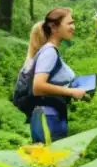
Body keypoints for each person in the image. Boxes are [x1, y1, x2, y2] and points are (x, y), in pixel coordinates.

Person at [21, 8, 87, 143]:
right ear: (54, 27)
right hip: (49, 117)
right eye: (69, 23)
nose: (73, 27)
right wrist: (71, 91)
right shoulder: (49, 52)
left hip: (50, 115)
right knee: (50, 161)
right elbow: (38, 86)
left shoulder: (50, 50)